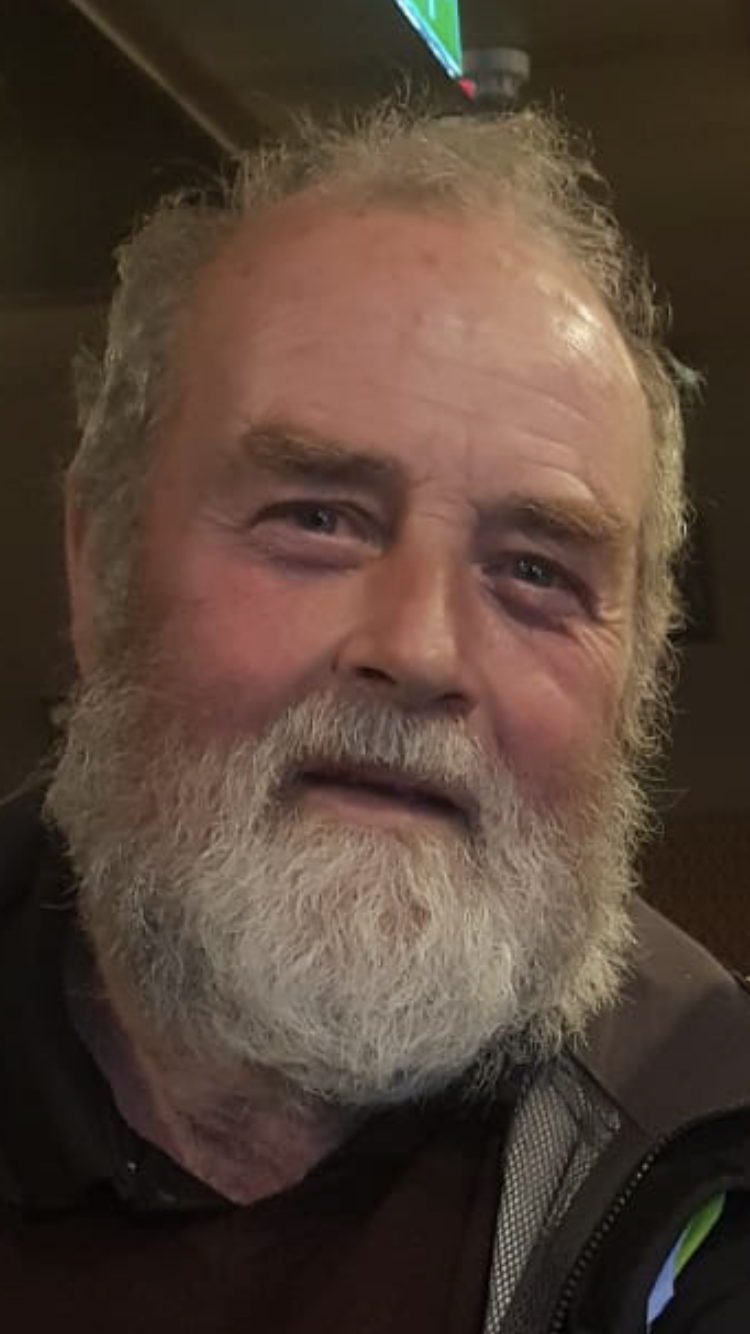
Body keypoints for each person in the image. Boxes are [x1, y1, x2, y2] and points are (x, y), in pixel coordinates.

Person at [1, 101, 748, 1334]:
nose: (419, 648)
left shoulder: (718, 1153)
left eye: (536, 571)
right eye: (317, 517)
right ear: (100, 563)